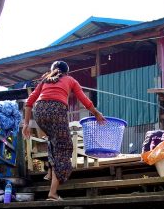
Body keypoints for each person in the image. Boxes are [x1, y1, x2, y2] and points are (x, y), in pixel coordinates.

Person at [22, 60, 106, 201]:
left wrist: (26, 124)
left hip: (39, 112)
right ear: (67, 72)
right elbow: (84, 100)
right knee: (64, 148)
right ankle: (53, 193)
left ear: (53, 70)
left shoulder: (45, 81)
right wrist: (96, 113)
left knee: (53, 140)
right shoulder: (70, 79)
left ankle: (50, 171)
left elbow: (29, 101)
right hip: (56, 111)